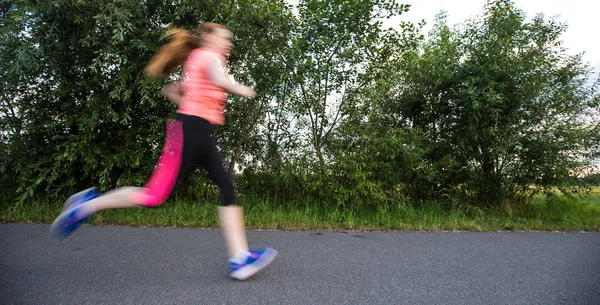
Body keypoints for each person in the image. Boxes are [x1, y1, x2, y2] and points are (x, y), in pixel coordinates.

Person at [50, 22, 277, 281]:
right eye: (225, 38)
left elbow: (171, 90)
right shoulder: (209, 56)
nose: (229, 44)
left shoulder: (196, 60)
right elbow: (217, 80)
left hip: (200, 132)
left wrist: (190, 102)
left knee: (227, 188)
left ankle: (239, 258)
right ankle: (84, 207)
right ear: (207, 38)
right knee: (154, 196)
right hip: (191, 133)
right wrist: (242, 90)